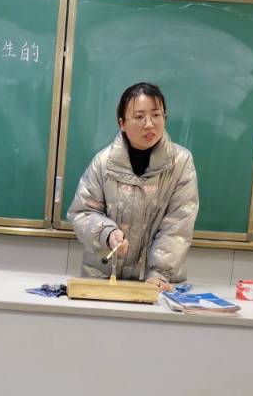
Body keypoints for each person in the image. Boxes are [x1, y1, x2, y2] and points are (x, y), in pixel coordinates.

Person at [67, 81, 198, 288]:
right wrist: (107, 233)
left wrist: (159, 273)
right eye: (139, 117)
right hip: (104, 278)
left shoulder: (180, 162)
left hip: (159, 283)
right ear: (122, 123)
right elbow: (82, 213)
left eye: (156, 115)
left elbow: (179, 224)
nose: (149, 124)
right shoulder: (103, 162)